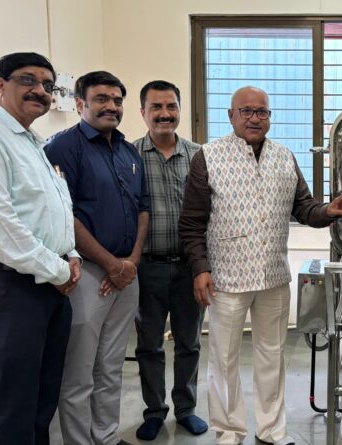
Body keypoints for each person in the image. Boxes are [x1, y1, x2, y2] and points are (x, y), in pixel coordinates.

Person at [179, 86, 342, 445]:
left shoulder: (284, 156)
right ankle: (229, 430)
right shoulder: (208, 157)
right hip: (225, 276)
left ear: (270, 117)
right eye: (246, 111)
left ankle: (271, 430)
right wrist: (200, 268)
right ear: (231, 115)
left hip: (273, 274)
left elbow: (303, 207)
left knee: (272, 355)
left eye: (262, 112)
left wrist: (328, 211)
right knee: (223, 359)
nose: (255, 118)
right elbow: (192, 222)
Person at [0, 51, 81, 444]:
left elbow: (52, 211)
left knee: (42, 400)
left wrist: (70, 255)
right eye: (28, 80)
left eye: (46, 84)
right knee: (15, 405)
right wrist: (59, 271)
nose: (39, 91)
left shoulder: (31, 142)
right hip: (10, 288)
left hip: (48, 284)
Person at [46, 71, 150, 445]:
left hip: (126, 274)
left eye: (117, 100)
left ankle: (105, 436)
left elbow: (142, 208)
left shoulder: (126, 150)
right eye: (101, 98)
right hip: (86, 276)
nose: (111, 106)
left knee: (110, 367)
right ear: (79, 104)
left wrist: (130, 263)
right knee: (79, 371)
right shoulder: (62, 148)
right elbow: (63, 214)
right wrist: (110, 264)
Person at [132, 80, 208, 440]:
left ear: (179, 109)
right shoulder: (129, 157)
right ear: (143, 112)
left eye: (171, 107)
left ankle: (186, 409)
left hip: (189, 267)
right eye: (156, 107)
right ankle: (153, 411)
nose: (165, 114)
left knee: (189, 342)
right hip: (146, 267)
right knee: (148, 344)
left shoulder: (199, 156)